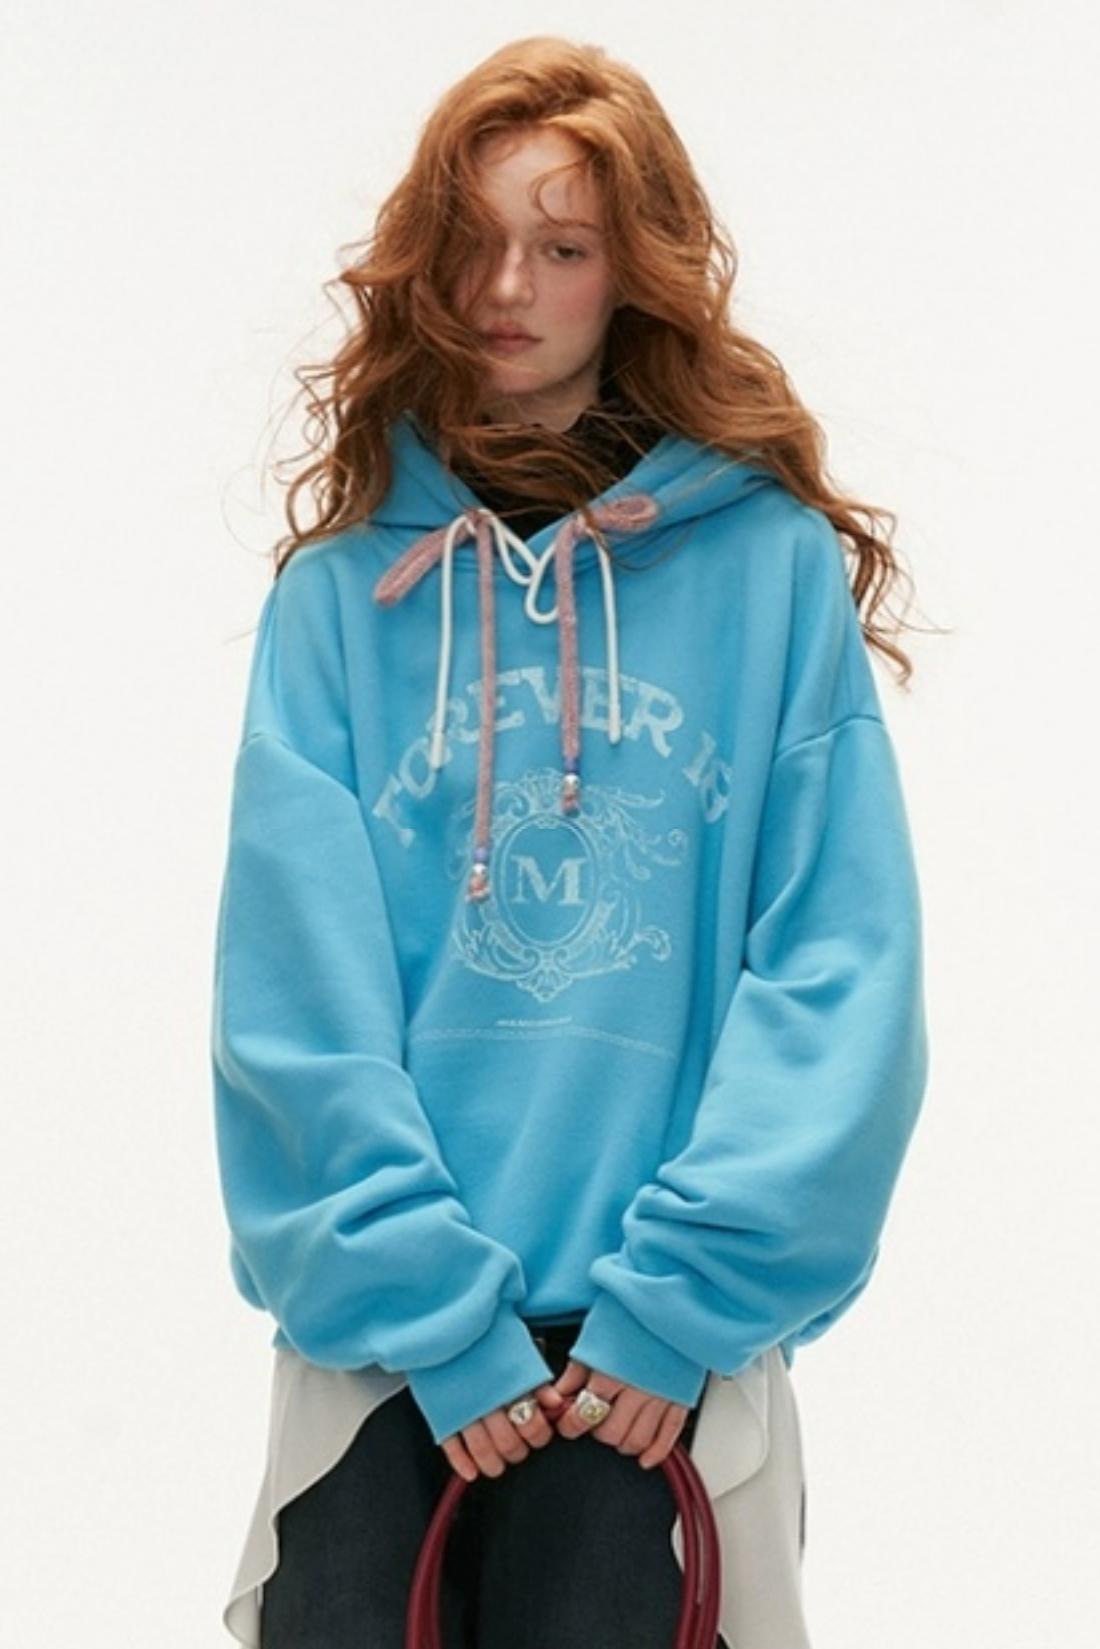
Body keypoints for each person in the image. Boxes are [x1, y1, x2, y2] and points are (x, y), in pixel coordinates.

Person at [209, 34, 929, 1649]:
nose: (504, 289)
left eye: (563, 246)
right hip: (383, 1357)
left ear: (636, 270)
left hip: (651, 1366)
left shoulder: (766, 574)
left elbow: (840, 972)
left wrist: (681, 1306)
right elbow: (291, 1010)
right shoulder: (340, 601)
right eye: (471, 243)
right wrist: (434, 1315)